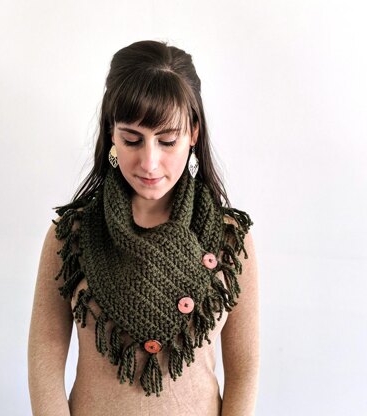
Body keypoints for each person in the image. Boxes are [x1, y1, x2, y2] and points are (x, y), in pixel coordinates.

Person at [28, 40, 259, 416]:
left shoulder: (230, 239)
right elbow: (45, 361)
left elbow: (244, 370)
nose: (149, 162)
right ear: (112, 134)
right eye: (132, 139)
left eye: (167, 140)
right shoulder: (70, 236)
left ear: (193, 134)